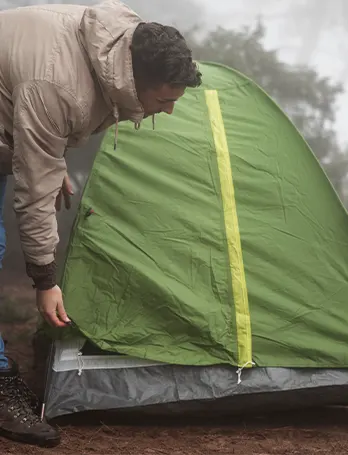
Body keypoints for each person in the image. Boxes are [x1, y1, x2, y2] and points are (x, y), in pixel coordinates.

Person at [0, 0, 202, 447]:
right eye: (165, 100)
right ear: (138, 84)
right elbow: (33, 187)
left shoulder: (117, 47)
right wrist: (44, 279)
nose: (168, 111)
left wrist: (55, 169)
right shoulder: (59, 83)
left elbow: (47, 134)